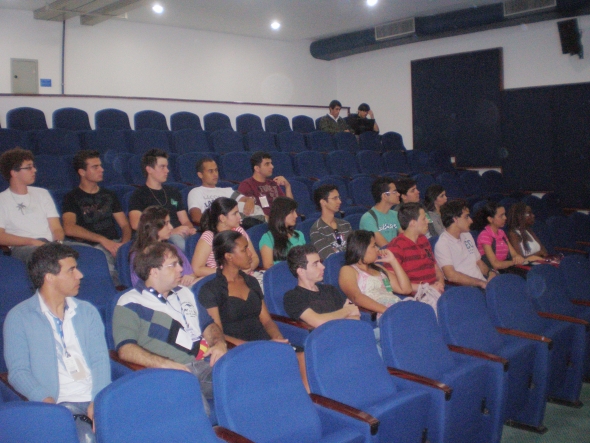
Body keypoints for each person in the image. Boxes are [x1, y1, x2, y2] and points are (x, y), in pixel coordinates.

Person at [4, 243, 110, 443]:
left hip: (98, 397)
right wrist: (48, 404)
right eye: (71, 270)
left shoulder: (87, 311)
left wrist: (99, 400)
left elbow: (100, 359)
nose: (80, 275)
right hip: (59, 403)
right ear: (49, 277)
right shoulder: (19, 317)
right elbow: (18, 371)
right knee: (87, 438)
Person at [113, 242, 227, 416]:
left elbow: (209, 325)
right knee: (197, 409)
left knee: (244, 382)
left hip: (203, 363)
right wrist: (166, 364)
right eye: (173, 265)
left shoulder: (185, 292)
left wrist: (219, 344)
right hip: (168, 372)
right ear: (153, 271)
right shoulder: (130, 302)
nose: (181, 269)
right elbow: (125, 349)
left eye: (179, 263)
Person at [198, 230, 288, 344]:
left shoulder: (251, 281)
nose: (250, 253)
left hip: (265, 342)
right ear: (229, 256)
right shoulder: (211, 290)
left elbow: (266, 321)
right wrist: (254, 347)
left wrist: (278, 338)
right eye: (244, 249)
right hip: (238, 350)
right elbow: (218, 334)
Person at [62, 150, 132, 285]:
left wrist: (123, 245)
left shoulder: (109, 195)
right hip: (92, 246)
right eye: (95, 167)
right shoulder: (71, 197)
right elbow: (69, 228)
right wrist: (103, 240)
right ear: (82, 172)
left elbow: (124, 225)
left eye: (100, 166)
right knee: (105, 264)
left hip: (116, 242)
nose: (102, 169)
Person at [0, 148, 66, 263]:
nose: (34, 170)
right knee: (47, 258)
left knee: (89, 253)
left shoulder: (42, 193)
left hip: (51, 244)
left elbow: (56, 228)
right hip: (23, 247)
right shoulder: (2, 199)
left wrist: (58, 243)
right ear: (14, 172)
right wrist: (32, 242)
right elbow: (1, 236)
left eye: (33, 166)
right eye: (29, 167)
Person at [128, 149, 196, 253]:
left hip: (180, 234)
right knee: (177, 241)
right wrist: (170, 231)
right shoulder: (138, 195)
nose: (167, 170)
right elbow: (136, 224)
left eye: (167, 166)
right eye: (162, 167)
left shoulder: (173, 192)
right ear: (149, 169)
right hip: (158, 238)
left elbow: (185, 221)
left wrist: (189, 229)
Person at [283, 244, 360, 327]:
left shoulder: (330, 289)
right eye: (315, 264)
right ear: (301, 271)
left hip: (346, 333)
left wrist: (344, 313)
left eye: (320, 262)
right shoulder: (293, 297)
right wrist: (346, 311)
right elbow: (318, 321)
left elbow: (355, 316)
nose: (323, 267)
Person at [339, 230, 412, 315]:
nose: (378, 249)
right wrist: (388, 311)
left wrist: (393, 261)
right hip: (382, 313)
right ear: (362, 248)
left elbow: (406, 289)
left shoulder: (379, 268)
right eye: (374, 246)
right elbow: (356, 297)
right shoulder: (348, 270)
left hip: (397, 307)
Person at [129, 206, 198, 287]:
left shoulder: (173, 248)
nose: (171, 227)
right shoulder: (140, 255)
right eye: (166, 223)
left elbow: (191, 274)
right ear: (154, 227)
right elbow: (143, 286)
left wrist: (189, 277)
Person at [187, 157, 264, 229]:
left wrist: (250, 200)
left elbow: (245, 199)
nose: (215, 174)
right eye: (210, 171)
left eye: (216, 170)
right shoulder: (195, 192)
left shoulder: (227, 191)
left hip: (237, 225)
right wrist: (218, 225)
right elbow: (196, 217)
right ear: (200, 175)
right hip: (214, 228)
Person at [386, 203, 446, 294]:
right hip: (416, 296)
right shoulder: (396, 246)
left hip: (435, 291)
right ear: (413, 223)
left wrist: (440, 282)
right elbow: (392, 281)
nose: (427, 221)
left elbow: (436, 268)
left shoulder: (423, 240)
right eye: (423, 219)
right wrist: (428, 288)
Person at [434, 200, 495, 289]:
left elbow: (478, 262)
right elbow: (451, 275)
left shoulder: (467, 235)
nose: (470, 220)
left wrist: (490, 273)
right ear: (455, 219)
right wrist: (480, 283)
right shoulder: (443, 244)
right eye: (466, 217)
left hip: (481, 284)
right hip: (467, 289)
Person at [192, 197, 258, 277]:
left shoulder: (239, 231)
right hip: (222, 281)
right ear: (222, 218)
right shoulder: (209, 237)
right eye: (235, 213)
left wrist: (249, 268)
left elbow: (255, 258)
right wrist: (228, 272)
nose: (239, 217)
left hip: (246, 277)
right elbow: (197, 269)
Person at [238, 151, 293, 219]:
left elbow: (290, 208)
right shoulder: (247, 185)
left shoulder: (273, 184)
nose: (272, 166)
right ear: (257, 168)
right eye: (267, 164)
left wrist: (288, 186)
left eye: (271, 163)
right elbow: (247, 212)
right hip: (263, 223)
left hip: (280, 221)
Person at [472, 201, 526, 270]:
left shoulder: (501, 233)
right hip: (494, 271)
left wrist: (518, 257)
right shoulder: (485, 235)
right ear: (490, 219)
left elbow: (514, 254)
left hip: (506, 267)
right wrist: (514, 262)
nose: (505, 218)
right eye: (501, 216)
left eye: (505, 214)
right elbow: (495, 264)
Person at [259, 196, 306, 269]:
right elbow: (268, 267)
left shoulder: (299, 235)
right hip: (282, 276)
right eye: (292, 212)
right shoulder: (268, 238)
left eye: (295, 211)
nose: (296, 215)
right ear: (282, 214)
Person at [309, 184, 352, 261]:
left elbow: (355, 249)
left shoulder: (345, 224)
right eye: (335, 198)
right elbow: (328, 257)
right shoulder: (316, 230)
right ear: (323, 202)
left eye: (339, 198)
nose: (340, 201)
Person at [359, 177, 401, 247]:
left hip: (395, 253)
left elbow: (405, 238)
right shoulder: (368, 218)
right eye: (394, 192)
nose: (398, 194)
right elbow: (384, 246)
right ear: (384, 196)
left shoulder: (395, 214)